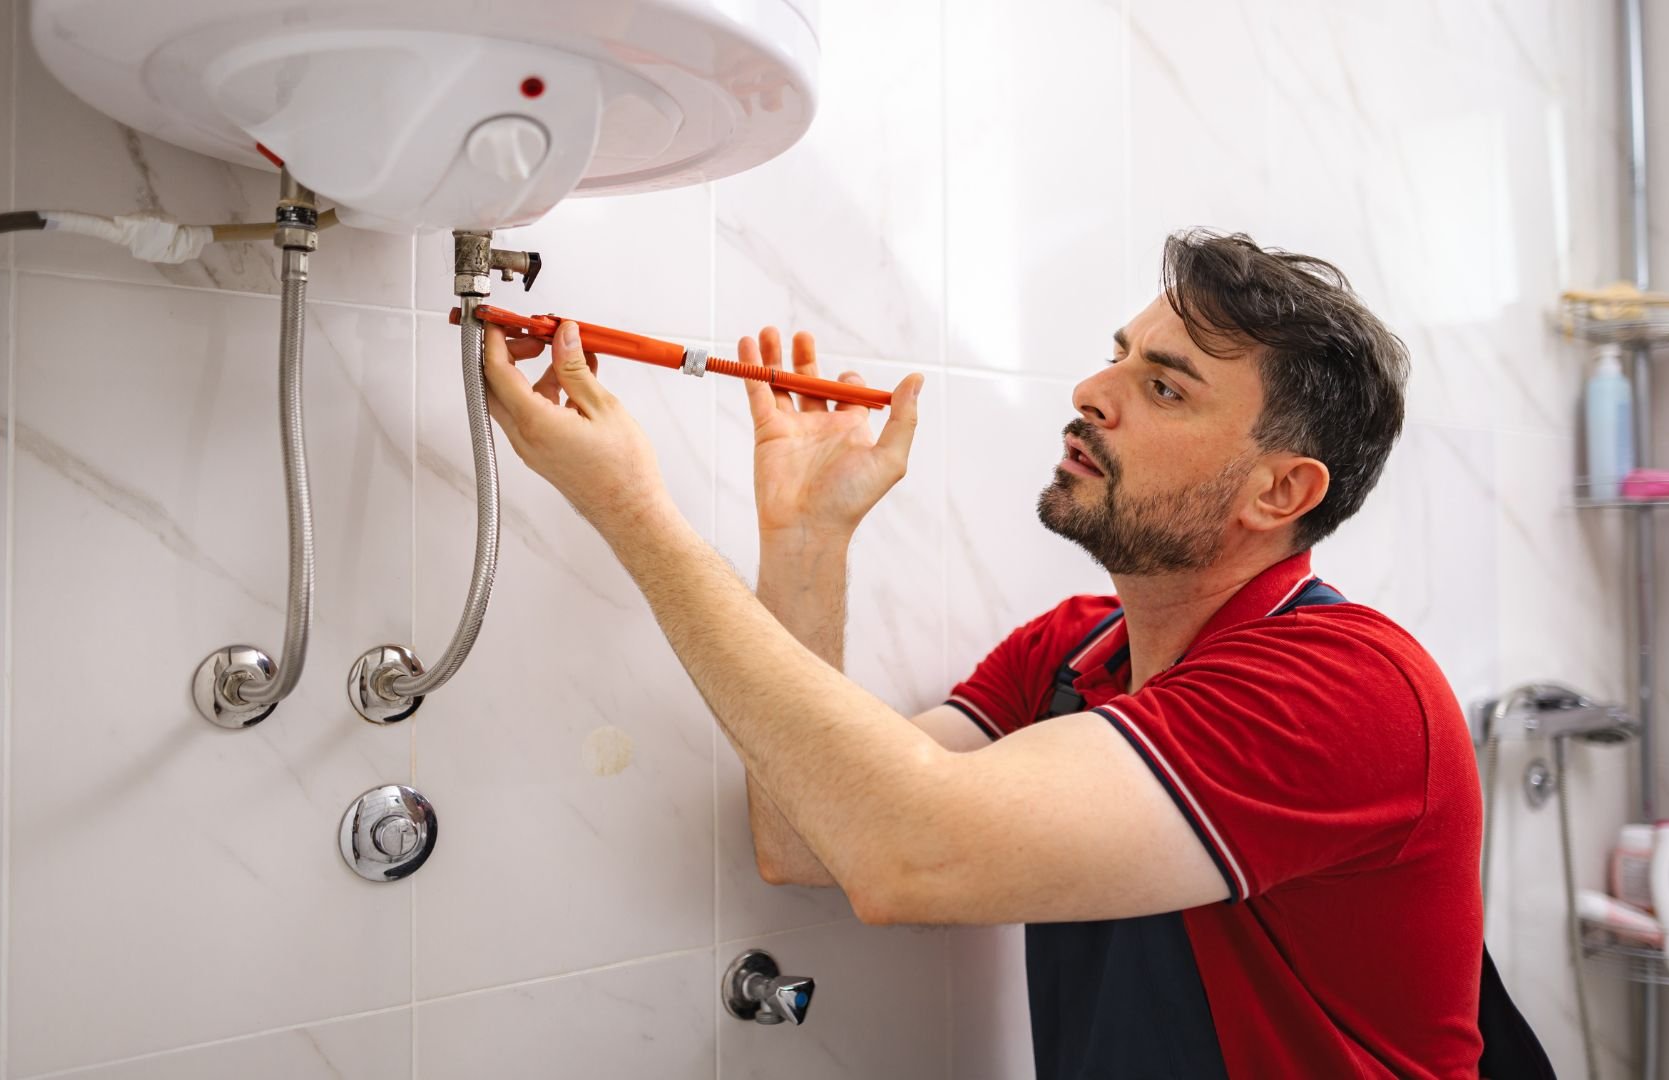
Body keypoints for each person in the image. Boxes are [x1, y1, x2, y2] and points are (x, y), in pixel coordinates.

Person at [482, 230, 1487, 1078]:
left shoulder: (1349, 690)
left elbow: (905, 855)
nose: (1093, 392)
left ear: (1278, 494)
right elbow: (811, 842)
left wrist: (630, 511)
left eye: (1165, 389)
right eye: (1118, 357)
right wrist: (806, 541)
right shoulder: (1073, 653)